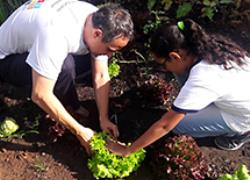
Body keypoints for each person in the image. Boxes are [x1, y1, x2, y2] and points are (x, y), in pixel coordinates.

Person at [0, 0, 134, 153]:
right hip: (6, 61)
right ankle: (69, 107)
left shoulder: (95, 19)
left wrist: (103, 118)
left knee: (92, 56)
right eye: (110, 49)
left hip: (39, 41)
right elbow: (40, 94)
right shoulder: (55, 34)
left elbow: (101, 74)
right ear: (97, 34)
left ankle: (67, 99)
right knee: (65, 67)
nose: (111, 55)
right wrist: (80, 131)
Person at [107, 19, 250, 155]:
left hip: (242, 116)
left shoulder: (204, 77)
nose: (164, 69)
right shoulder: (208, 47)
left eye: (163, 64)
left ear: (175, 56)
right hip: (240, 94)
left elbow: (165, 125)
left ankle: (241, 133)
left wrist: (127, 150)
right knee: (179, 74)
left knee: (178, 125)